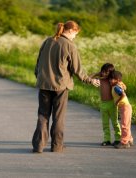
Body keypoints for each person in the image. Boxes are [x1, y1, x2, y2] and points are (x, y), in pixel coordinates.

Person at [32, 20, 100, 153]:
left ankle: (38, 146)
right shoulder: (70, 45)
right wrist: (89, 80)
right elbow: (77, 69)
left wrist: (39, 77)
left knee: (43, 115)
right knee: (59, 117)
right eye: (75, 34)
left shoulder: (47, 41)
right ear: (70, 31)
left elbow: (38, 63)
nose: (75, 37)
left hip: (44, 85)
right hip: (61, 87)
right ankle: (57, 146)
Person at [91, 63, 121, 146]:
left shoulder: (112, 81)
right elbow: (89, 78)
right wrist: (97, 73)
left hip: (112, 104)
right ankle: (107, 139)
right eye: (102, 71)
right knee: (105, 123)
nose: (103, 73)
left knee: (115, 122)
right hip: (103, 104)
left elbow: (121, 86)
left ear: (110, 73)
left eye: (106, 72)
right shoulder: (99, 80)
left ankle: (118, 138)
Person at [109, 71, 134, 149]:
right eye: (110, 79)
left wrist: (117, 101)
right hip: (125, 107)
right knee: (127, 124)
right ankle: (129, 140)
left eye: (112, 79)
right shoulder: (115, 86)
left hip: (125, 107)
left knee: (124, 125)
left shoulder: (116, 87)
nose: (110, 80)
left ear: (118, 80)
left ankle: (124, 142)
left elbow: (123, 94)